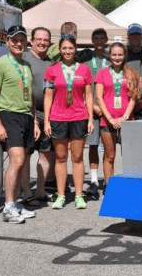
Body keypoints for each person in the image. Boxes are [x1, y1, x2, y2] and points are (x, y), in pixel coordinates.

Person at [0, 25, 39, 223]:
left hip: (26, 116)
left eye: (22, 40)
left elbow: (31, 98)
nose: (18, 43)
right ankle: (8, 206)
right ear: (7, 42)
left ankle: (16, 202)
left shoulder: (26, 66)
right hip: (9, 115)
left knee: (23, 161)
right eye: (14, 40)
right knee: (16, 160)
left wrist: (34, 121)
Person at [43, 34, 94, 210]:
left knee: (78, 158)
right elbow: (48, 97)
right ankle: (61, 195)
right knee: (60, 158)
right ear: (60, 49)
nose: (67, 51)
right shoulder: (52, 70)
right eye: (64, 48)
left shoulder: (84, 70)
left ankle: (79, 196)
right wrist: (47, 122)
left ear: (75, 49)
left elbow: (88, 95)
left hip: (79, 117)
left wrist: (90, 118)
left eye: (70, 48)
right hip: (58, 118)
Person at [95, 42, 141, 184]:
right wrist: (110, 118)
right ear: (109, 56)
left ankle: (130, 185)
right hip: (107, 121)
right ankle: (110, 187)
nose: (117, 57)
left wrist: (124, 117)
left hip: (127, 120)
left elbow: (133, 97)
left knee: (129, 156)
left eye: (120, 54)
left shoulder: (132, 72)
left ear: (124, 55)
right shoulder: (102, 73)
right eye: (114, 54)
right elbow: (99, 98)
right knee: (110, 156)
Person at [21, 26, 54, 206]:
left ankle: (40, 191)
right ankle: (26, 192)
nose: (42, 43)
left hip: (47, 114)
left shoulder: (52, 63)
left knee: (45, 153)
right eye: (39, 39)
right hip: (27, 113)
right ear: (31, 41)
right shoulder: (24, 59)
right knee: (26, 153)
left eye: (45, 40)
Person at [84, 28, 109, 198]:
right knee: (93, 145)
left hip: (108, 110)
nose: (99, 41)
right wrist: (91, 106)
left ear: (106, 40)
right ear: (92, 40)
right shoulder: (85, 60)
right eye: (96, 38)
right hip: (91, 109)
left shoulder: (112, 58)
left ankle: (108, 181)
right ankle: (93, 180)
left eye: (102, 38)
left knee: (109, 147)